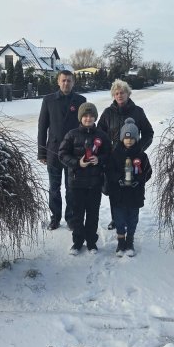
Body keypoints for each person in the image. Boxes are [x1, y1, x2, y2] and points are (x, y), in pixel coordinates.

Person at [37, 70, 86, 230]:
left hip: (74, 152)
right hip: (53, 151)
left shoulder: (80, 100)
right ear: (58, 82)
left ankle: (71, 218)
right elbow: (42, 127)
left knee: (71, 188)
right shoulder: (49, 100)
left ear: (73, 83)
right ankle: (55, 217)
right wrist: (41, 152)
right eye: (63, 80)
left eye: (69, 81)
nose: (66, 83)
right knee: (54, 188)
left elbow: (85, 126)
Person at [58, 102, 110, 254]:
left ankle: (92, 242)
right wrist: (77, 163)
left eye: (91, 116)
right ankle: (77, 242)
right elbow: (62, 154)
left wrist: (99, 159)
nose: (88, 119)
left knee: (93, 214)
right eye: (85, 116)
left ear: (95, 117)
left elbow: (109, 154)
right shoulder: (72, 134)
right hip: (76, 182)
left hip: (94, 183)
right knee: (77, 214)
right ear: (80, 117)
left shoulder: (101, 135)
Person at [105, 118, 152, 257]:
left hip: (134, 194)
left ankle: (130, 241)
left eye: (132, 138)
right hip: (118, 194)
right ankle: (121, 242)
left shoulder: (142, 156)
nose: (129, 140)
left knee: (132, 218)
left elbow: (148, 171)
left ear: (136, 138)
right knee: (119, 218)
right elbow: (109, 170)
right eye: (126, 138)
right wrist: (118, 179)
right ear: (121, 138)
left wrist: (139, 180)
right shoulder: (114, 154)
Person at [98, 79, 154, 151]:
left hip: (132, 156)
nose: (119, 96)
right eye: (116, 94)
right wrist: (106, 149)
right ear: (114, 96)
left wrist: (139, 148)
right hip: (112, 156)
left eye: (122, 93)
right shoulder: (108, 113)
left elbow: (148, 133)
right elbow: (99, 134)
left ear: (128, 94)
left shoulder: (138, 112)